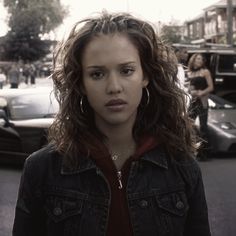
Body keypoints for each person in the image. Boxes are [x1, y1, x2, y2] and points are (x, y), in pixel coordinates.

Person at [13, 12, 211, 236]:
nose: (114, 87)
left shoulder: (182, 166)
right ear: (81, 84)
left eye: (126, 71)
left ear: (145, 75)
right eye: (97, 74)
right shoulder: (42, 169)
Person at [187, 53, 214, 161]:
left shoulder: (205, 72)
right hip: (192, 101)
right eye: (197, 59)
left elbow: (211, 87)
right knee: (188, 125)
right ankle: (191, 150)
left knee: (203, 127)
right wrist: (191, 91)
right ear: (193, 60)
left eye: (201, 59)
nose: (199, 61)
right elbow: (189, 87)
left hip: (202, 101)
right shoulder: (190, 73)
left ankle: (205, 153)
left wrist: (201, 93)